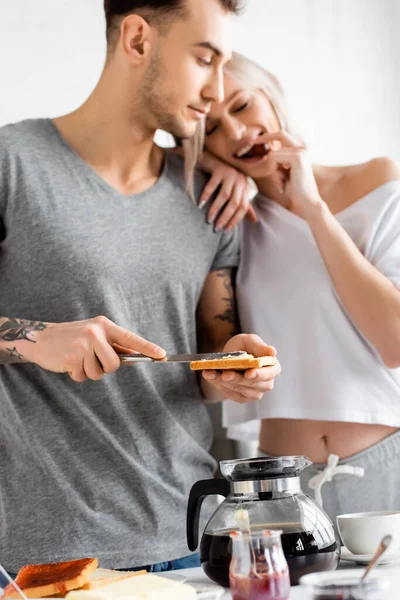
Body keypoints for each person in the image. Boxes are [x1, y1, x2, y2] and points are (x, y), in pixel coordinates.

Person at [0, 5, 283, 574]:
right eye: (205, 59)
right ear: (136, 39)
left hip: (192, 546)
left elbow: (207, 361)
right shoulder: (12, 163)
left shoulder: (211, 198)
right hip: (44, 563)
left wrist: (235, 369)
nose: (217, 89)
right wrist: (35, 339)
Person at [188, 51, 400, 523]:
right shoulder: (226, 220)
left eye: (242, 106)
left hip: (386, 471)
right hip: (279, 486)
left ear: (272, 90)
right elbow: (216, 358)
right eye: (213, 131)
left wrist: (312, 208)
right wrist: (204, 164)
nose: (238, 134)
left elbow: (395, 341)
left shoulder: (377, 180)